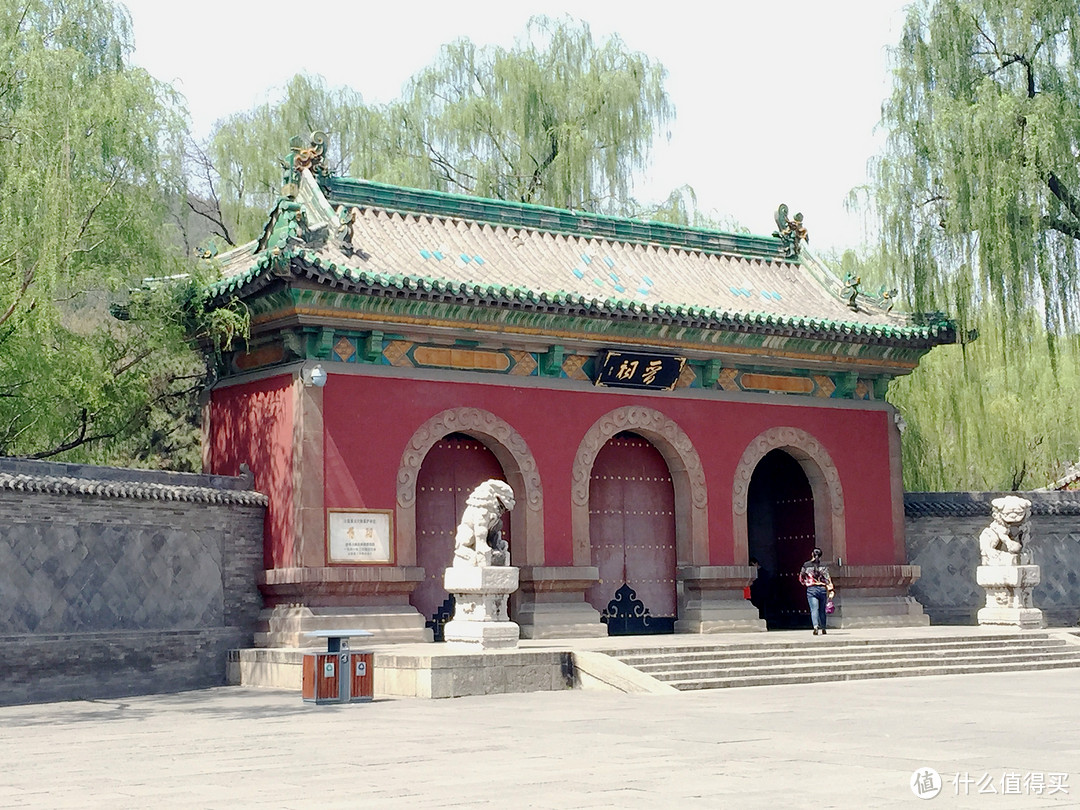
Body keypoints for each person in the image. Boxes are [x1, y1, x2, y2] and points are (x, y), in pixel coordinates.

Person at [798, 548, 834, 635]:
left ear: (812, 554)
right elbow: (827, 579)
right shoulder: (824, 566)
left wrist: (805, 582)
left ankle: (815, 626)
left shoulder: (806, 565)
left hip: (811, 589)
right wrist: (830, 589)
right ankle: (824, 627)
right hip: (822, 589)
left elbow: (801, 577)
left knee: (814, 609)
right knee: (822, 610)